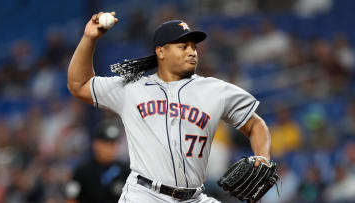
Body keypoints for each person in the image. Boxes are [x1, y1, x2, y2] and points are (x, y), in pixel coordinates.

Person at [67, 11, 272, 203]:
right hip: (145, 195)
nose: (192, 52)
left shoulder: (215, 90)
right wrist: (89, 39)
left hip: (194, 197)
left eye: (194, 47)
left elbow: (255, 125)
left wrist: (262, 157)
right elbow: (79, 85)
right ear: (161, 51)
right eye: (183, 47)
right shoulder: (131, 89)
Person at [65, 120, 130, 203]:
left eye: (113, 144)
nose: (110, 149)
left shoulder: (125, 171)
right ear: (96, 144)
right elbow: (71, 199)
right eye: (106, 144)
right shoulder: (82, 171)